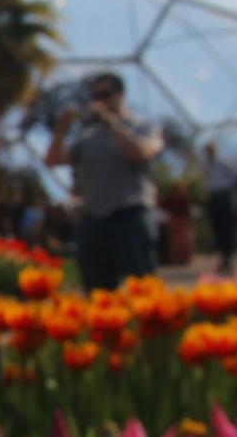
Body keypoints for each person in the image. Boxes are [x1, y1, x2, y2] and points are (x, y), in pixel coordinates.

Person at [44, 71, 163, 291]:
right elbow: (53, 160)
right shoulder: (88, 136)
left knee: (143, 286)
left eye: (106, 95)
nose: (100, 102)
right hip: (94, 219)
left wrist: (112, 123)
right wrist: (61, 130)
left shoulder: (141, 127)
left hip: (130, 216)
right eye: (95, 97)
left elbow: (141, 152)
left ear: (121, 95)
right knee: (97, 289)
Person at [201, 142, 237, 272]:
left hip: (224, 196)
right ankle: (223, 258)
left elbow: (235, 177)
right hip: (213, 197)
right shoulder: (206, 165)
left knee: (227, 228)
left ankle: (229, 257)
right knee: (217, 228)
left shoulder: (224, 163)